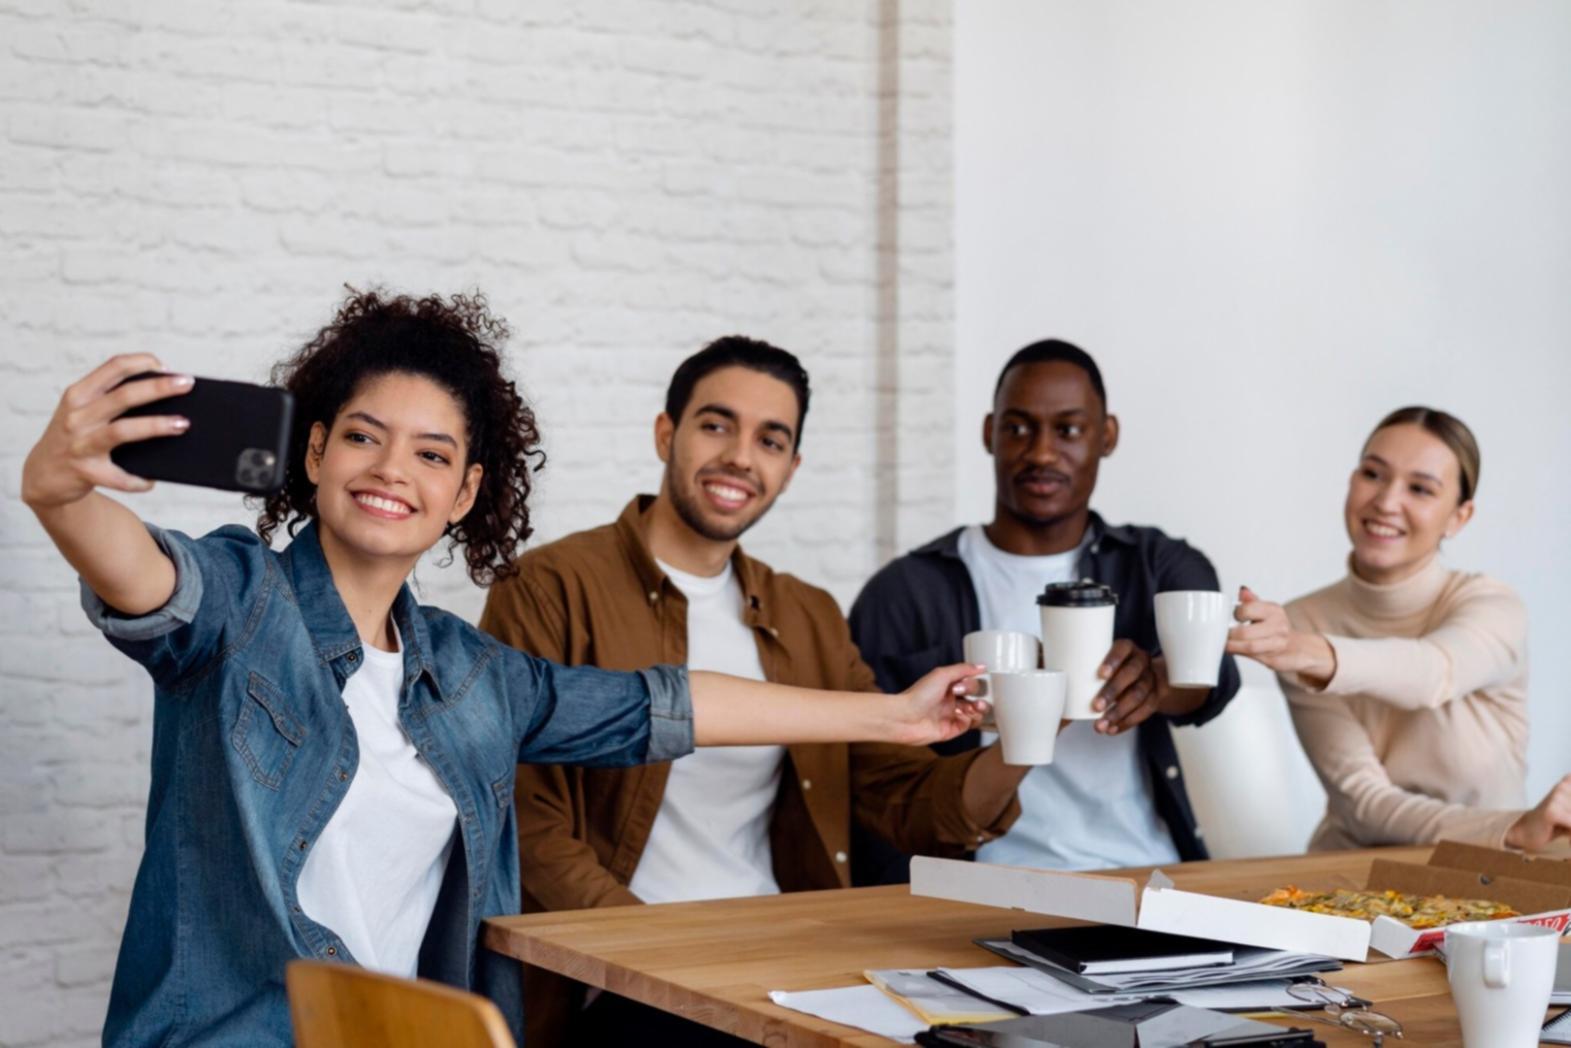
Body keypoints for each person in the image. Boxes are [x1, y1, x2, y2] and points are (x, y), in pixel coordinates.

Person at [18, 292, 988, 1048]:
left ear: (464, 491)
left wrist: (895, 717)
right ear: (312, 450)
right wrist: (58, 492)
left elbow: (665, 703)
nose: (392, 468)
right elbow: (146, 572)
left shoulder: (467, 672)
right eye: (362, 435)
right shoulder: (236, 603)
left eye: (431, 452)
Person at [479, 336, 1028, 1046]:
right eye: (716, 425)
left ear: (790, 468)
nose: (741, 456)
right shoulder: (550, 586)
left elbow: (910, 802)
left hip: (784, 965)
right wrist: (658, 957)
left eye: (770, 440)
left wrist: (1026, 739)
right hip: (622, 980)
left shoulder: (809, 616)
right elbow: (525, 818)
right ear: (665, 433)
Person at [850, 339, 1241, 878]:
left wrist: (1153, 682)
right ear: (989, 433)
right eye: (1017, 428)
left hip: (1145, 875)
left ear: (1108, 436)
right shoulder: (904, 591)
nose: (1039, 452)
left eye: (1069, 430)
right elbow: (875, 780)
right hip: (976, 884)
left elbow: (1208, 680)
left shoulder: (1155, 565)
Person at [1226, 406, 1571, 851]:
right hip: (1350, 877)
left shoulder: (1491, 606)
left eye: (1421, 489)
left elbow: (1434, 672)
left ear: (1459, 517)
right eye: (1372, 474)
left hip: (1491, 876)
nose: (1387, 502)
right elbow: (1365, 805)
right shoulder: (1302, 622)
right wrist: (1508, 829)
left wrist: (1315, 654)